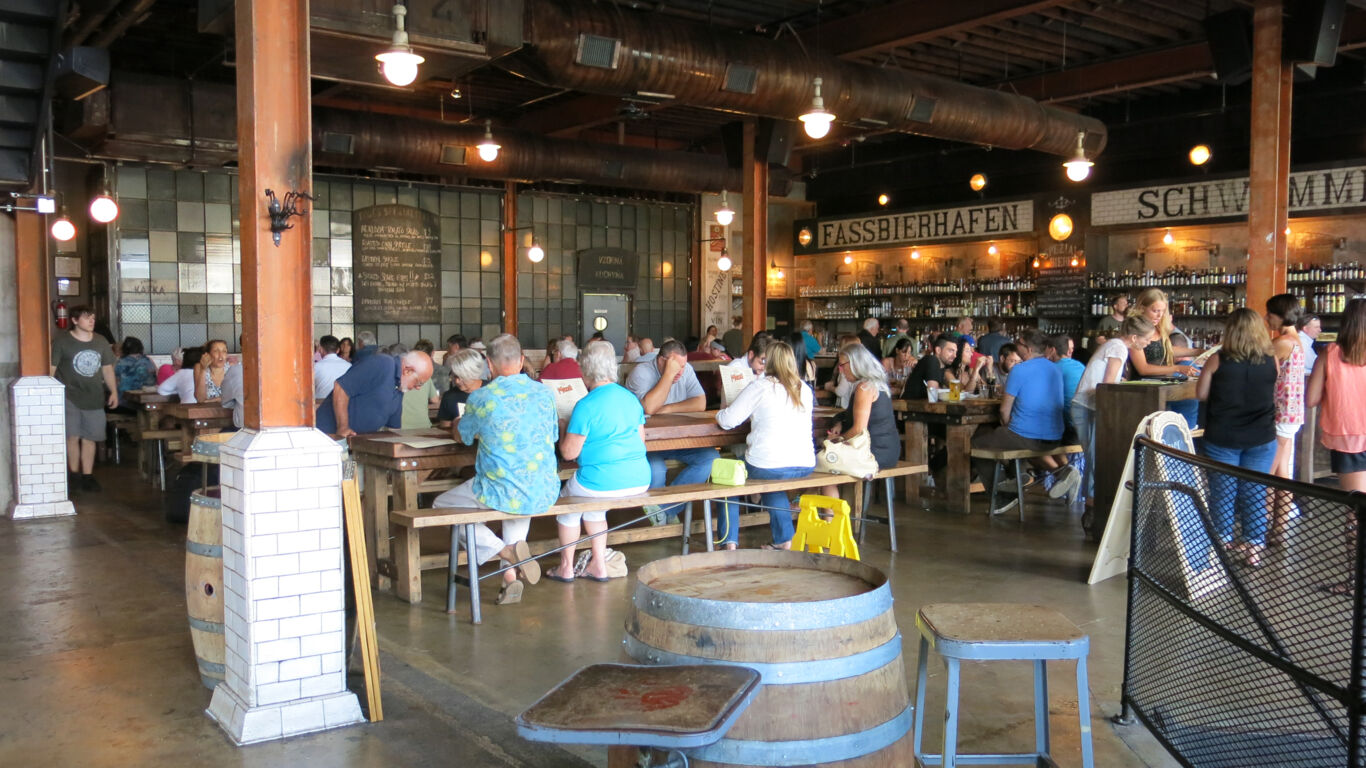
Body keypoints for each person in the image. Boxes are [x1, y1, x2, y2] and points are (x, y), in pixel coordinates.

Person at [431, 334, 556, 605]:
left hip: (501, 486)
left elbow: (462, 436)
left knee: (442, 505)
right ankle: (509, 579)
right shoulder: (545, 393)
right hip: (541, 486)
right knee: (516, 504)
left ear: (489, 364)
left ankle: (505, 552)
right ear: (522, 361)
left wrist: (456, 423)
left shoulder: (483, 397)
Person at [548, 341, 651, 582]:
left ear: (584, 372)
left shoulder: (585, 405)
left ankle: (565, 568)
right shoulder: (630, 399)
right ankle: (599, 566)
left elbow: (569, 453)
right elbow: (641, 442)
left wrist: (563, 427)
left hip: (601, 481)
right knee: (594, 508)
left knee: (568, 506)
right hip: (639, 478)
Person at [1196, 308, 1278, 567]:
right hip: (1262, 436)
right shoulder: (1271, 360)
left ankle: (1220, 545)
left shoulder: (1217, 360)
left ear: (1230, 331)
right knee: (1255, 491)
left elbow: (1201, 394)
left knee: (1223, 493)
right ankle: (1253, 550)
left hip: (1223, 436)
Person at [716, 341, 814, 550]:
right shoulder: (804, 388)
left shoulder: (761, 387)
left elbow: (727, 421)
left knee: (727, 477)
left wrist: (720, 410)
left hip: (768, 465)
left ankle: (729, 543)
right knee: (772, 478)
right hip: (805, 464)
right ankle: (785, 540)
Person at [971, 329, 1076, 514]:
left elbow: (1004, 411)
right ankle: (1018, 477)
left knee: (976, 444)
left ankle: (1004, 494)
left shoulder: (1019, 370)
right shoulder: (1055, 368)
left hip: (1028, 437)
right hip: (1055, 436)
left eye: (1018, 342)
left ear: (1026, 348)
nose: (1016, 344)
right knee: (999, 436)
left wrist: (1009, 426)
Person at [1307, 299, 1366, 592]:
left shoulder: (1329, 353)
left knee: (1357, 512)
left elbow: (1311, 399)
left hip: (1347, 439)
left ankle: (1356, 581)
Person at [626, 339, 714, 523]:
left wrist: (667, 408)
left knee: (710, 458)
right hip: (647, 443)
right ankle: (659, 518)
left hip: (677, 439)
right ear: (661, 360)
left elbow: (700, 403)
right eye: (676, 366)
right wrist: (668, 373)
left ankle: (664, 512)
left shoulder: (686, 369)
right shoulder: (641, 373)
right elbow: (649, 408)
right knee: (657, 470)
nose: (680, 371)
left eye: (683, 365)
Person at [1071, 316, 1156, 507]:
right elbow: (1107, 386)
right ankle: (1094, 505)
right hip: (1088, 406)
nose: (1148, 343)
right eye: (1147, 339)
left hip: (1085, 405)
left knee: (1095, 456)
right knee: (1096, 457)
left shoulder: (1114, 344)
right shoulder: (1118, 348)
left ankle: (1093, 502)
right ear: (1134, 337)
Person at [52, 306, 117, 492]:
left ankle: (88, 476)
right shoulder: (62, 341)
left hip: (95, 396)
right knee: (72, 436)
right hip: (69, 395)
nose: (91, 321)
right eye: (87, 317)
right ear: (74, 320)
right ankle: (74, 474)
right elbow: (52, 368)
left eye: (93, 318)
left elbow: (107, 369)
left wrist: (113, 391)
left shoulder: (100, 341)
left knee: (91, 437)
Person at [824, 343, 900, 499]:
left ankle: (830, 520)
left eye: (842, 365)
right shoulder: (877, 384)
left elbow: (859, 429)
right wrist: (839, 423)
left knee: (825, 466)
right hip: (888, 450)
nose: (841, 370)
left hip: (874, 454)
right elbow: (850, 414)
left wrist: (837, 440)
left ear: (855, 364)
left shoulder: (864, 388)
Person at [315, 349, 433, 437]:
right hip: (328, 437)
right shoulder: (382, 364)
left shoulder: (399, 387)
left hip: (357, 442)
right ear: (407, 371)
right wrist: (343, 427)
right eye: (419, 383)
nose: (418, 388)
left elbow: (393, 429)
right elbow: (341, 387)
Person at [1266, 295, 1306, 544]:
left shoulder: (1282, 342)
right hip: (1292, 413)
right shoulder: (1298, 339)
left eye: (1269, 314)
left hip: (1280, 412)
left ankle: (1261, 529)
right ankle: (1277, 530)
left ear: (1279, 315)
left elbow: (1259, 364)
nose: (1266, 318)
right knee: (1282, 474)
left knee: (1265, 474)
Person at [1128, 288, 1199, 427]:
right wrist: (1178, 367)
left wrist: (1198, 351)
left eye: (1163, 311)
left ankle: (1184, 433)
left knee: (1193, 389)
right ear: (1142, 308)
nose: (1159, 315)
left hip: (1163, 382)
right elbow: (1143, 369)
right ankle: (1183, 433)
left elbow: (1167, 350)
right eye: (1155, 311)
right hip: (1144, 386)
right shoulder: (1135, 329)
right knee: (1190, 395)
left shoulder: (1159, 328)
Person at [435, 349, 486, 427]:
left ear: (474, 374)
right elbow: (445, 428)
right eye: (454, 376)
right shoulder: (449, 397)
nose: (457, 381)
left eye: (462, 377)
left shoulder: (492, 390)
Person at [903, 334, 957, 402]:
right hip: (911, 409)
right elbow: (933, 395)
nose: (955, 355)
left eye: (955, 352)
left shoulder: (941, 367)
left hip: (922, 408)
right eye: (951, 351)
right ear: (938, 350)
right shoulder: (932, 360)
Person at [1046, 334, 1086, 423]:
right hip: (1084, 421)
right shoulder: (1080, 366)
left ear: (1052, 350)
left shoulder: (1052, 369)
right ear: (1067, 351)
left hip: (1067, 423)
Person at [400, 341, 441, 429]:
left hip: (400, 427)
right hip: (423, 425)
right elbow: (435, 400)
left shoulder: (395, 377)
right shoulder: (425, 375)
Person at [113, 337, 156, 411]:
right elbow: (156, 376)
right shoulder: (148, 360)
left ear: (124, 349)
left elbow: (114, 382)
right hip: (148, 403)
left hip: (125, 405)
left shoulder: (120, 363)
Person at [313, 335, 351, 400]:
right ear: (338, 350)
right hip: (343, 403)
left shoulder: (316, 367)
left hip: (320, 404)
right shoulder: (349, 366)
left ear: (321, 349)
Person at [1300, 314, 1321, 378]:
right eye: (1316, 327)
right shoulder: (1303, 342)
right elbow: (1314, 364)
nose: (1320, 330)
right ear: (1305, 329)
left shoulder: (1305, 340)